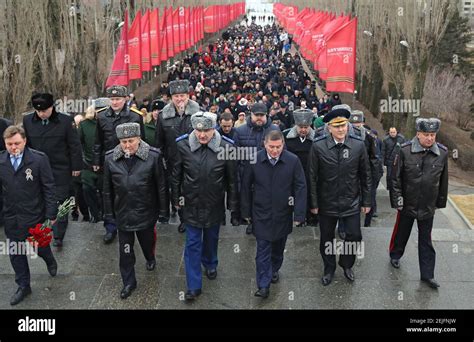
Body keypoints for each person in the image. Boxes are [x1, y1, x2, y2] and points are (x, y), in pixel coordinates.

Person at [171, 112, 238, 301]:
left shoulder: (226, 147)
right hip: (191, 204)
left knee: (211, 237)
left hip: (214, 203)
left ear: (214, 128)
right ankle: (193, 285)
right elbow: (176, 174)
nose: (202, 135)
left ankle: (210, 263)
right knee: (192, 243)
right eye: (198, 130)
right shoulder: (182, 145)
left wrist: (233, 206)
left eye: (206, 130)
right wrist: (176, 198)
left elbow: (232, 180)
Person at [103, 123, 169, 299]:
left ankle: (150, 257)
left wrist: (164, 211)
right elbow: (107, 189)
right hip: (123, 214)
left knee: (147, 242)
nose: (127, 145)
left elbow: (161, 186)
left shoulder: (153, 157)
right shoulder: (110, 159)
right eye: (123, 142)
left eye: (130, 141)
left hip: (146, 212)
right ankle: (129, 282)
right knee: (125, 251)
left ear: (139, 139)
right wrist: (109, 214)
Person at [309, 108, 371, 286]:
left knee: (354, 235)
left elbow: (365, 175)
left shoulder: (358, 145)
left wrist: (367, 201)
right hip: (326, 201)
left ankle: (346, 264)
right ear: (329, 128)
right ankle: (329, 268)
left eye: (344, 125)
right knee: (327, 238)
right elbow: (312, 177)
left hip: (350, 200)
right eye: (337, 127)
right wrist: (313, 203)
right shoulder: (318, 146)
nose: (341, 129)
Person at [241, 130, 306, 298]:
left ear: (283, 144)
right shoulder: (254, 159)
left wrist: (299, 214)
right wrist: (245, 212)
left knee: (278, 247)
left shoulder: (293, 160)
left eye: (278, 147)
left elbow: (300, 186)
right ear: (264, 144)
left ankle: (274, 268)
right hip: (261, 213)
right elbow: (246, 187)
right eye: (271, 147)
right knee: (262, 249)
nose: (275, 150)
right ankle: (263, 285)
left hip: (283, 213)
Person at [0, 125, 58, 305]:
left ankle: (48, 258)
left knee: (39, 247)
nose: (13, 147)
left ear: (24, 141)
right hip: (12, 217)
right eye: (9, 144)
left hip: (35, 215)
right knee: (16, 253)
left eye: (17, 143)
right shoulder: (1, 161)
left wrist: (51, 214)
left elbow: (48, 187)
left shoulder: (38, 160)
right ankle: (23, 285)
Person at [389, 118, 448, 289]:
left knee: (426, 241)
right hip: (407, 202)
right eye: (426, 134)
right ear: (418, 134)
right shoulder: (405, 150)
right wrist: (397, 200)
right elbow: (395, 178)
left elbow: (443, 180)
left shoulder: (442, 153)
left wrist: (440, 203)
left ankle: (428, 275)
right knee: (402, 232)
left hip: (428, 205)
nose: (430, 138)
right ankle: (395, 254)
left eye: (432, 135)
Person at [23, 93, 82, 248]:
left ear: (52, 107)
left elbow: (74, 146)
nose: (42, 114)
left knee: (61, 202)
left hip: (60, 168)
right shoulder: (28, 121)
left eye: (45, 110)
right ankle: (40, 231)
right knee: (41, 201)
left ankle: (58, 235)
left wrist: (76, 167)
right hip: (37, 169)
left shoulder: (65, 121)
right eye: (38, 111)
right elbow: (26, 145)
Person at [92, 85, 145, 244]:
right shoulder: (101, 116)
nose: (115, 102)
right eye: (112, 99)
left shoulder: (135, 116)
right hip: (109, 161)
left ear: (125, 99)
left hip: (130, 160)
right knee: (108, 193)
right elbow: (97, 141)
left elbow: (142, 141)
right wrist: (96, 161)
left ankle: (132, 222)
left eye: (118, 99)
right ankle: (110, 227)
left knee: (130, 191)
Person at [155, 79, 200, 233]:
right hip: (173, 161)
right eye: (176, 96)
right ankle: (183, 218)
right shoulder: (163, 116)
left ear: (188, 96)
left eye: (183, 95)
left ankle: (193, 216)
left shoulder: (199, 114)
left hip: (194, 159)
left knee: (193, 189)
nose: (180, 99)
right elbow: (158, 142)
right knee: (177, 190)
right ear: (171, 98)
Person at [233, 102, 280, 234]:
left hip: (269, 172)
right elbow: (235, 156)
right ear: (251, 115)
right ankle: (252, 222)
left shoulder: (275, 130)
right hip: (247, 173)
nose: (259, 118)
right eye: (256, 115)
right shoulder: (240, 131)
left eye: (262, 115)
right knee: (251, 199)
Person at [284, 109, 318, 226]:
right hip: (291, 174)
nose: (303, 130)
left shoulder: (317, 139)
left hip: (310, 173)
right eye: (301, 127)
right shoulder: (286, 136)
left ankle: (310, 218)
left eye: (306, 127)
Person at [382, 127, 405, 191]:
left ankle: (397, 186)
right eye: (391, 132)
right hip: (389, 160)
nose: (392, 134)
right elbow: (383, 151)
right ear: (389, 132)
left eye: (394, 132)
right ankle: (389, 186)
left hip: (398, 159)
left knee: (397, 174)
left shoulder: (401, 138)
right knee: (389, 175)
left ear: (396, 132)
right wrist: (383, 162)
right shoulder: (386, 140)